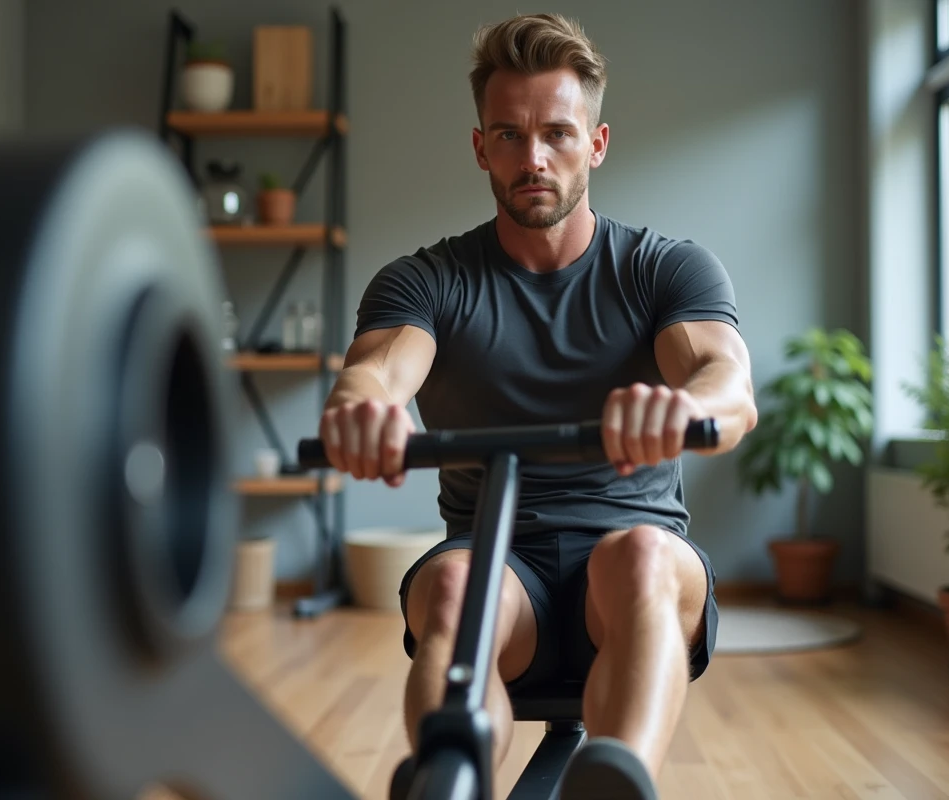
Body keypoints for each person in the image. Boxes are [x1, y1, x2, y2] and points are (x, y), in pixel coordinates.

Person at [316, 12, 757, 798]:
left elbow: (723, 377)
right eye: (511, 135)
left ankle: (615, 782)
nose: (534, 157)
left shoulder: (665, 271)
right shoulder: (427, 280)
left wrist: (683, 407)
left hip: (629, 572)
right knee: (456, 585)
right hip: (497, 568)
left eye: (557, 132)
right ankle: (451, 781)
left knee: (642, 557)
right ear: (481, 146)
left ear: (596, 143)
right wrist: (361, 409)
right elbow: (378, 371)